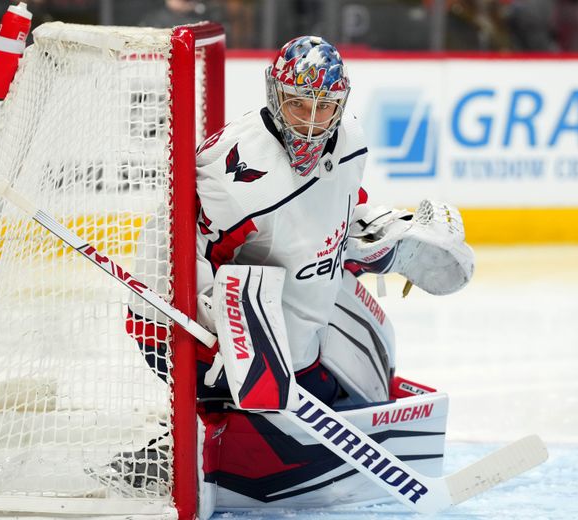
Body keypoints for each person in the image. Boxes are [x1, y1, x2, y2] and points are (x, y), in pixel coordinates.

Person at [113, 35, 475, 501]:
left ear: (342, 103)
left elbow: (337, 210)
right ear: (273, 93)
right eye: (297, 104)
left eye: (324, 107)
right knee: (254, 434)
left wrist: (377, 241)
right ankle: (171, 455)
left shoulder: (352, 143)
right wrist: (215, 339)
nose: (309, 122)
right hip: (197, 337)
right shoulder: (234, 178)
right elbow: (165, 257)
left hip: (296, 335)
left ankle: (233, 433)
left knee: (363, 378)